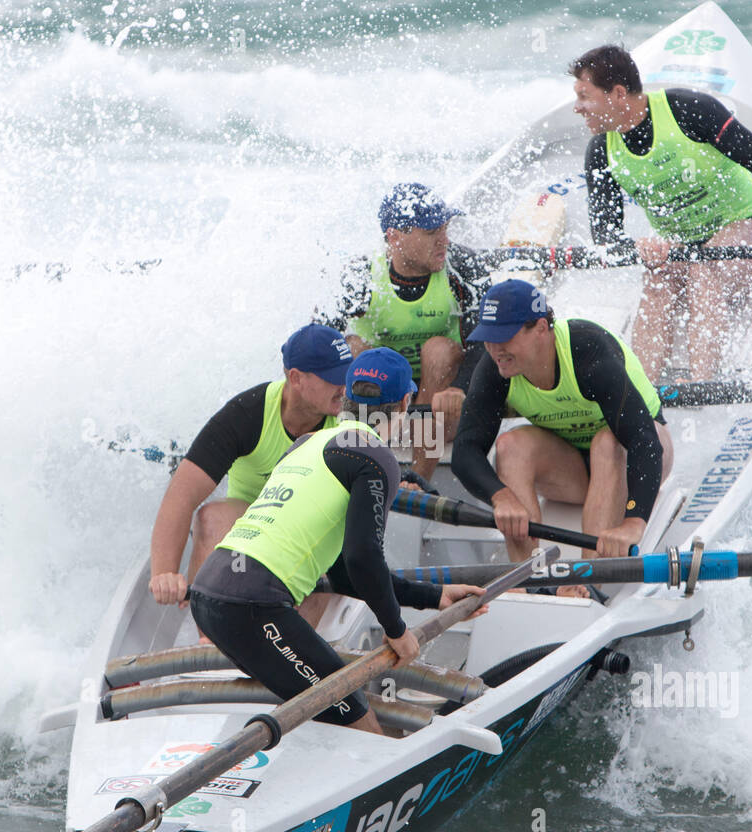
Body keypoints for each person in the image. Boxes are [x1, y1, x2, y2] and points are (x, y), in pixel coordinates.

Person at [189, 348, 486, 735]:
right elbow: (363, 557)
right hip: (252, 607)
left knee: (319, 703)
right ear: (405, 403)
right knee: (354, 710)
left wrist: (434, 595)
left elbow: (343, 572)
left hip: (207, 596)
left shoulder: (306, 443)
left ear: (345, 399)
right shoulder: (375, 456)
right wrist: (397, 631)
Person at [568, 44, 752, 382]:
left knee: (704, 265)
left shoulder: (689, 110)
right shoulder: (601, 150)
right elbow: (605, 235)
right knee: (658, 276)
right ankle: (643, 392)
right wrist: (637, 248)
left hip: (745, 230)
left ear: (618, 94)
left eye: (584, 97)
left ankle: (701, 384)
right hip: (684, 247)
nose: (577, 108)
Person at [452, 279, 674, 563]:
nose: (495, 350)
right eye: (489, 338)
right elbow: (465, 450)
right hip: (574, 473)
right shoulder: (495, 367)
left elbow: (644, 443)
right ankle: (530, 576)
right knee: (510, 446)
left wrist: (634, 520)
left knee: (607, 442)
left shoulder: (588, 352)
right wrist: (500, 497)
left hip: (639, 456)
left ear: (541, 329)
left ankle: (589, 579)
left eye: (504, 337)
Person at [147, 324, 352, 621]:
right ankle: (212, 644)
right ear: (296, 378)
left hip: (312, 537)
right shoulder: (247, 415)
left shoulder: (352, 415)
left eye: (347, 375)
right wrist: (164, 573)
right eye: (334, 379)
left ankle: (287, 654)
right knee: (210, 518)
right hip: (251, 531)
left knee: (324, 557)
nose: (345, 388)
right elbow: (180, 497)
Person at [314, 182, 493, 482]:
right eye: (432, 232)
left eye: (445, 229)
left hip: (438, 404)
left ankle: (417, 480)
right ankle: (356, 465)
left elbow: (484, 345)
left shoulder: (463, 267)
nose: (444, 241)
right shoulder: (360, 276)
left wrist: (459, 387)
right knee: (353, 348)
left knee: (438, 349)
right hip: (380, 401)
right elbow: (318, 344)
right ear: (394, 237)